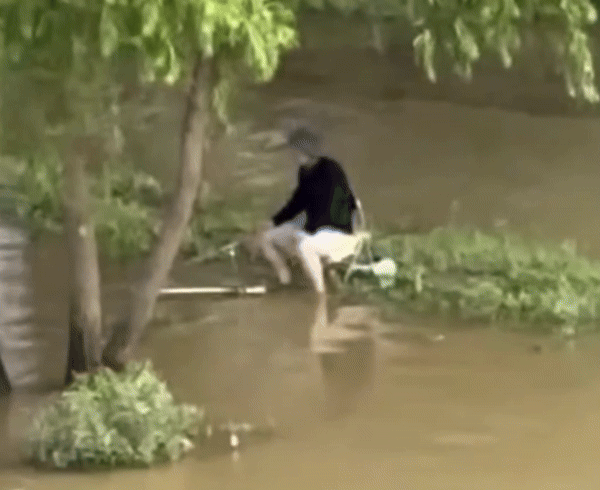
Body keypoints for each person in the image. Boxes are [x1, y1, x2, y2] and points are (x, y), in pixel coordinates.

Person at [257, 127, 362, 294]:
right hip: (313, 231)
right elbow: (297, 203)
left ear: (303, 151)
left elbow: (335, 210)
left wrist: (305, 232)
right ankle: (285, 279)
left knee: (305, 245)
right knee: (266, 237)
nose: (292, 156)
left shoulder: (331, 170)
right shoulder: (304, 172)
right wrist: (272, 222)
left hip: (337, 232)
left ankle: (320, 295)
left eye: (294, 151)